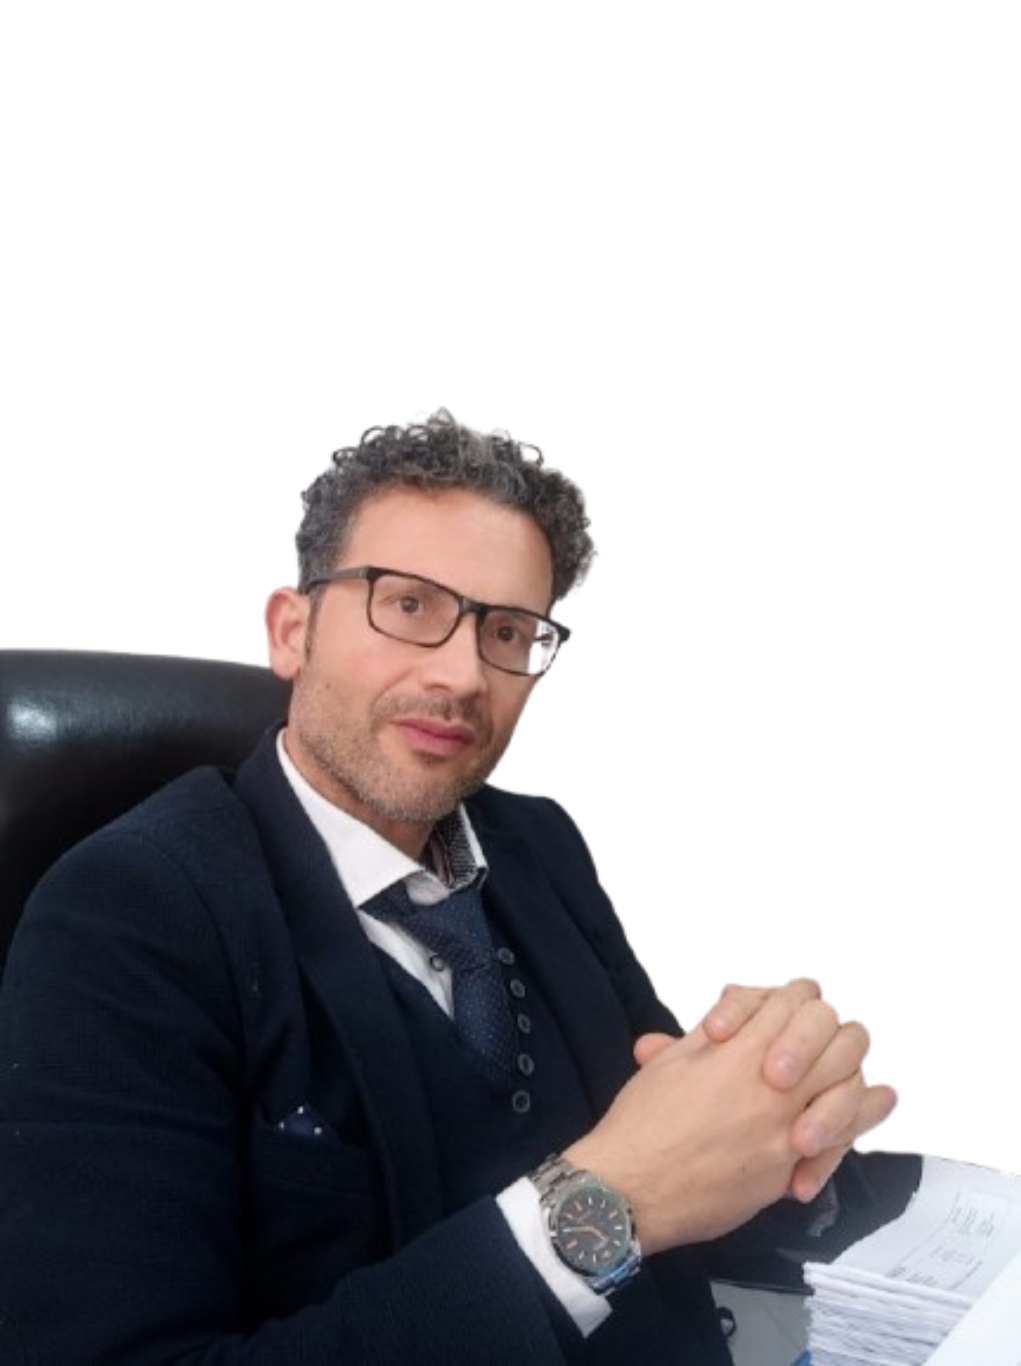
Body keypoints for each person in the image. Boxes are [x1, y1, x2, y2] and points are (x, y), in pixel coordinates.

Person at [0, 406, 918, 1364]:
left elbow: (679, 1148)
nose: (462, 674)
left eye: (508, 631)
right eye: (407, 605)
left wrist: (783, 1118)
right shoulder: (123, 916)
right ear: (290, 630)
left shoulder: (538, 842)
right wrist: (604, 1207)